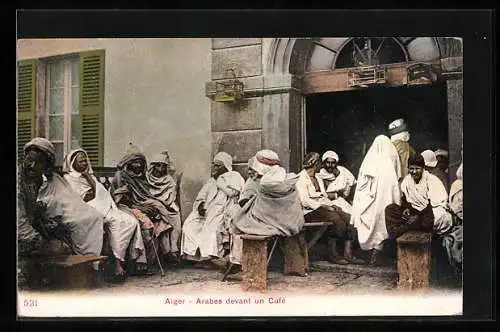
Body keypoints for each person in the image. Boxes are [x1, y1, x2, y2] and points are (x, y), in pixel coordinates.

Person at [18, 138, 105, 281]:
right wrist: (43, 243)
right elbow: (20, 225)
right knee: (58, 249)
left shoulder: (35, 180)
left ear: (46, 165)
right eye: (29, 160)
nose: (32, 165)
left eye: (38, 162)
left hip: (29, 230)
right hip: (21, 235)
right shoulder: (19, 182)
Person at [63, 149, 147, 281]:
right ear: (72, 162)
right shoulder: (68, 179)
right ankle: (117, 266)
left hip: (103, 207)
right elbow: (76, 199)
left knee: (129, 222)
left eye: (85, 160)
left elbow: (101, 193)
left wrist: (89, 178)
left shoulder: (89, 176)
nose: (84, 163)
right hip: (85, 210)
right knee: (113, 223)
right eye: (80, 161)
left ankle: (120, 259)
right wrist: (88, 195)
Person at [224, 150, 305, 276]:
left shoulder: (266, 183)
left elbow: (259, 211)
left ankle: (237, 262)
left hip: (269, 223)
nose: (252, 172)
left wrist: (245, 206)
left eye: (254, 169)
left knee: (236, 221)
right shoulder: (287, 179)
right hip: (290, 223)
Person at [110, 143, 177, 274]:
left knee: (160, 220)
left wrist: (147, 206)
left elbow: (145, 196)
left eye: (140, 162)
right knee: (146, 226)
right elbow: (119, 199)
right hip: (124, 208)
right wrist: (140, 207)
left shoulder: (142, 177)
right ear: (128, 162)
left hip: (139, 206)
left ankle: (151, 261)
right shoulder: (121, 176)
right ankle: (137, 264)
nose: (138, 166)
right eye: (134, 162)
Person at [296, 152, 363, 265]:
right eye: (319, 164)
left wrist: (332, 205)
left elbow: (324, 196)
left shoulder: (317, 177)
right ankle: (332, 254)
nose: (321, 167)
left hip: (323, 207)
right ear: (315, 164)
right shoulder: (301, 178)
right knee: (336, 220)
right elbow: (304, 201)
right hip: (310, 211)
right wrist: (324, 206)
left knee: (349, 218)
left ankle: (348, 253)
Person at [181, 152, 245, 262]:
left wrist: (221, 182)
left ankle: (210, 257)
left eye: (218, 166)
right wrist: (200, 205)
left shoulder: (234, 177)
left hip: (223, 211)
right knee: (189, 225)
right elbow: (201, 197)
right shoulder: (211, 181)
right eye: (214, 165)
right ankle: (192, 256)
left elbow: (234, 194)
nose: (214, 167)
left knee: (212, 229)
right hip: (206, 211)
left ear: (225, 166)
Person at [350, 135, 402, 266]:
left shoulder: (369, 162)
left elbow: (362, 185)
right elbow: (396, 186)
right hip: (385, 203)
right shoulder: (390, 165)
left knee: (370, 223)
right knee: (382, 226)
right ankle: (377, 253)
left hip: (372, 202)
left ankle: (370, 253)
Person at [385, 154, 454, 240]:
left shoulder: (432, 180)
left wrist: (418, 216)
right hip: (415, 213)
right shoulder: (407, 180)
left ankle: (405, 228)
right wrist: (406, 209)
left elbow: (435, 205)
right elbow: (406, 200)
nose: (414, 172)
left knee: (430, 217)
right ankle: (408, 226)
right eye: (411, 169)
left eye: (417, 169)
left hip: (430, 212)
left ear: (423, 168)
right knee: (390, 209)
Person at [146, 151, 182, 264]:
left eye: (162, 165)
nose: (160, 168)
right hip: (153, 206)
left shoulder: (169, 181)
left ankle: (173, 250)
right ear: (153, 166)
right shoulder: (147, 179)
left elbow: (170, 197)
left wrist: (164, 205)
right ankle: (166, 252)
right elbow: (146, 194)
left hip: (167, 206)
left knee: (174, 218)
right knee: (162, 220)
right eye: (157, 165)